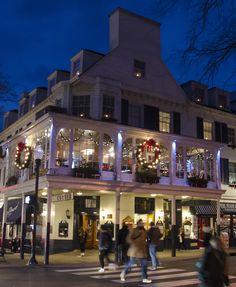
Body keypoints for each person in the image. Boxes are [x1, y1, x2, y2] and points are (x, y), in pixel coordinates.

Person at [120, 219, 152, 284]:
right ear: (137, 224)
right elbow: (128, 239)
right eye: (140, 223)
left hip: (142, 250)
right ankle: (123, 273)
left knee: (144, 265)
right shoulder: (134, 230)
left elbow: (146, 239)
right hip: (135, 250)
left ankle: (144, 278)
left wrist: (146, 243)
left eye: (142, 223)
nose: (142, 224)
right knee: (130, 263)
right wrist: (135, 243)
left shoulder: (144, 231)